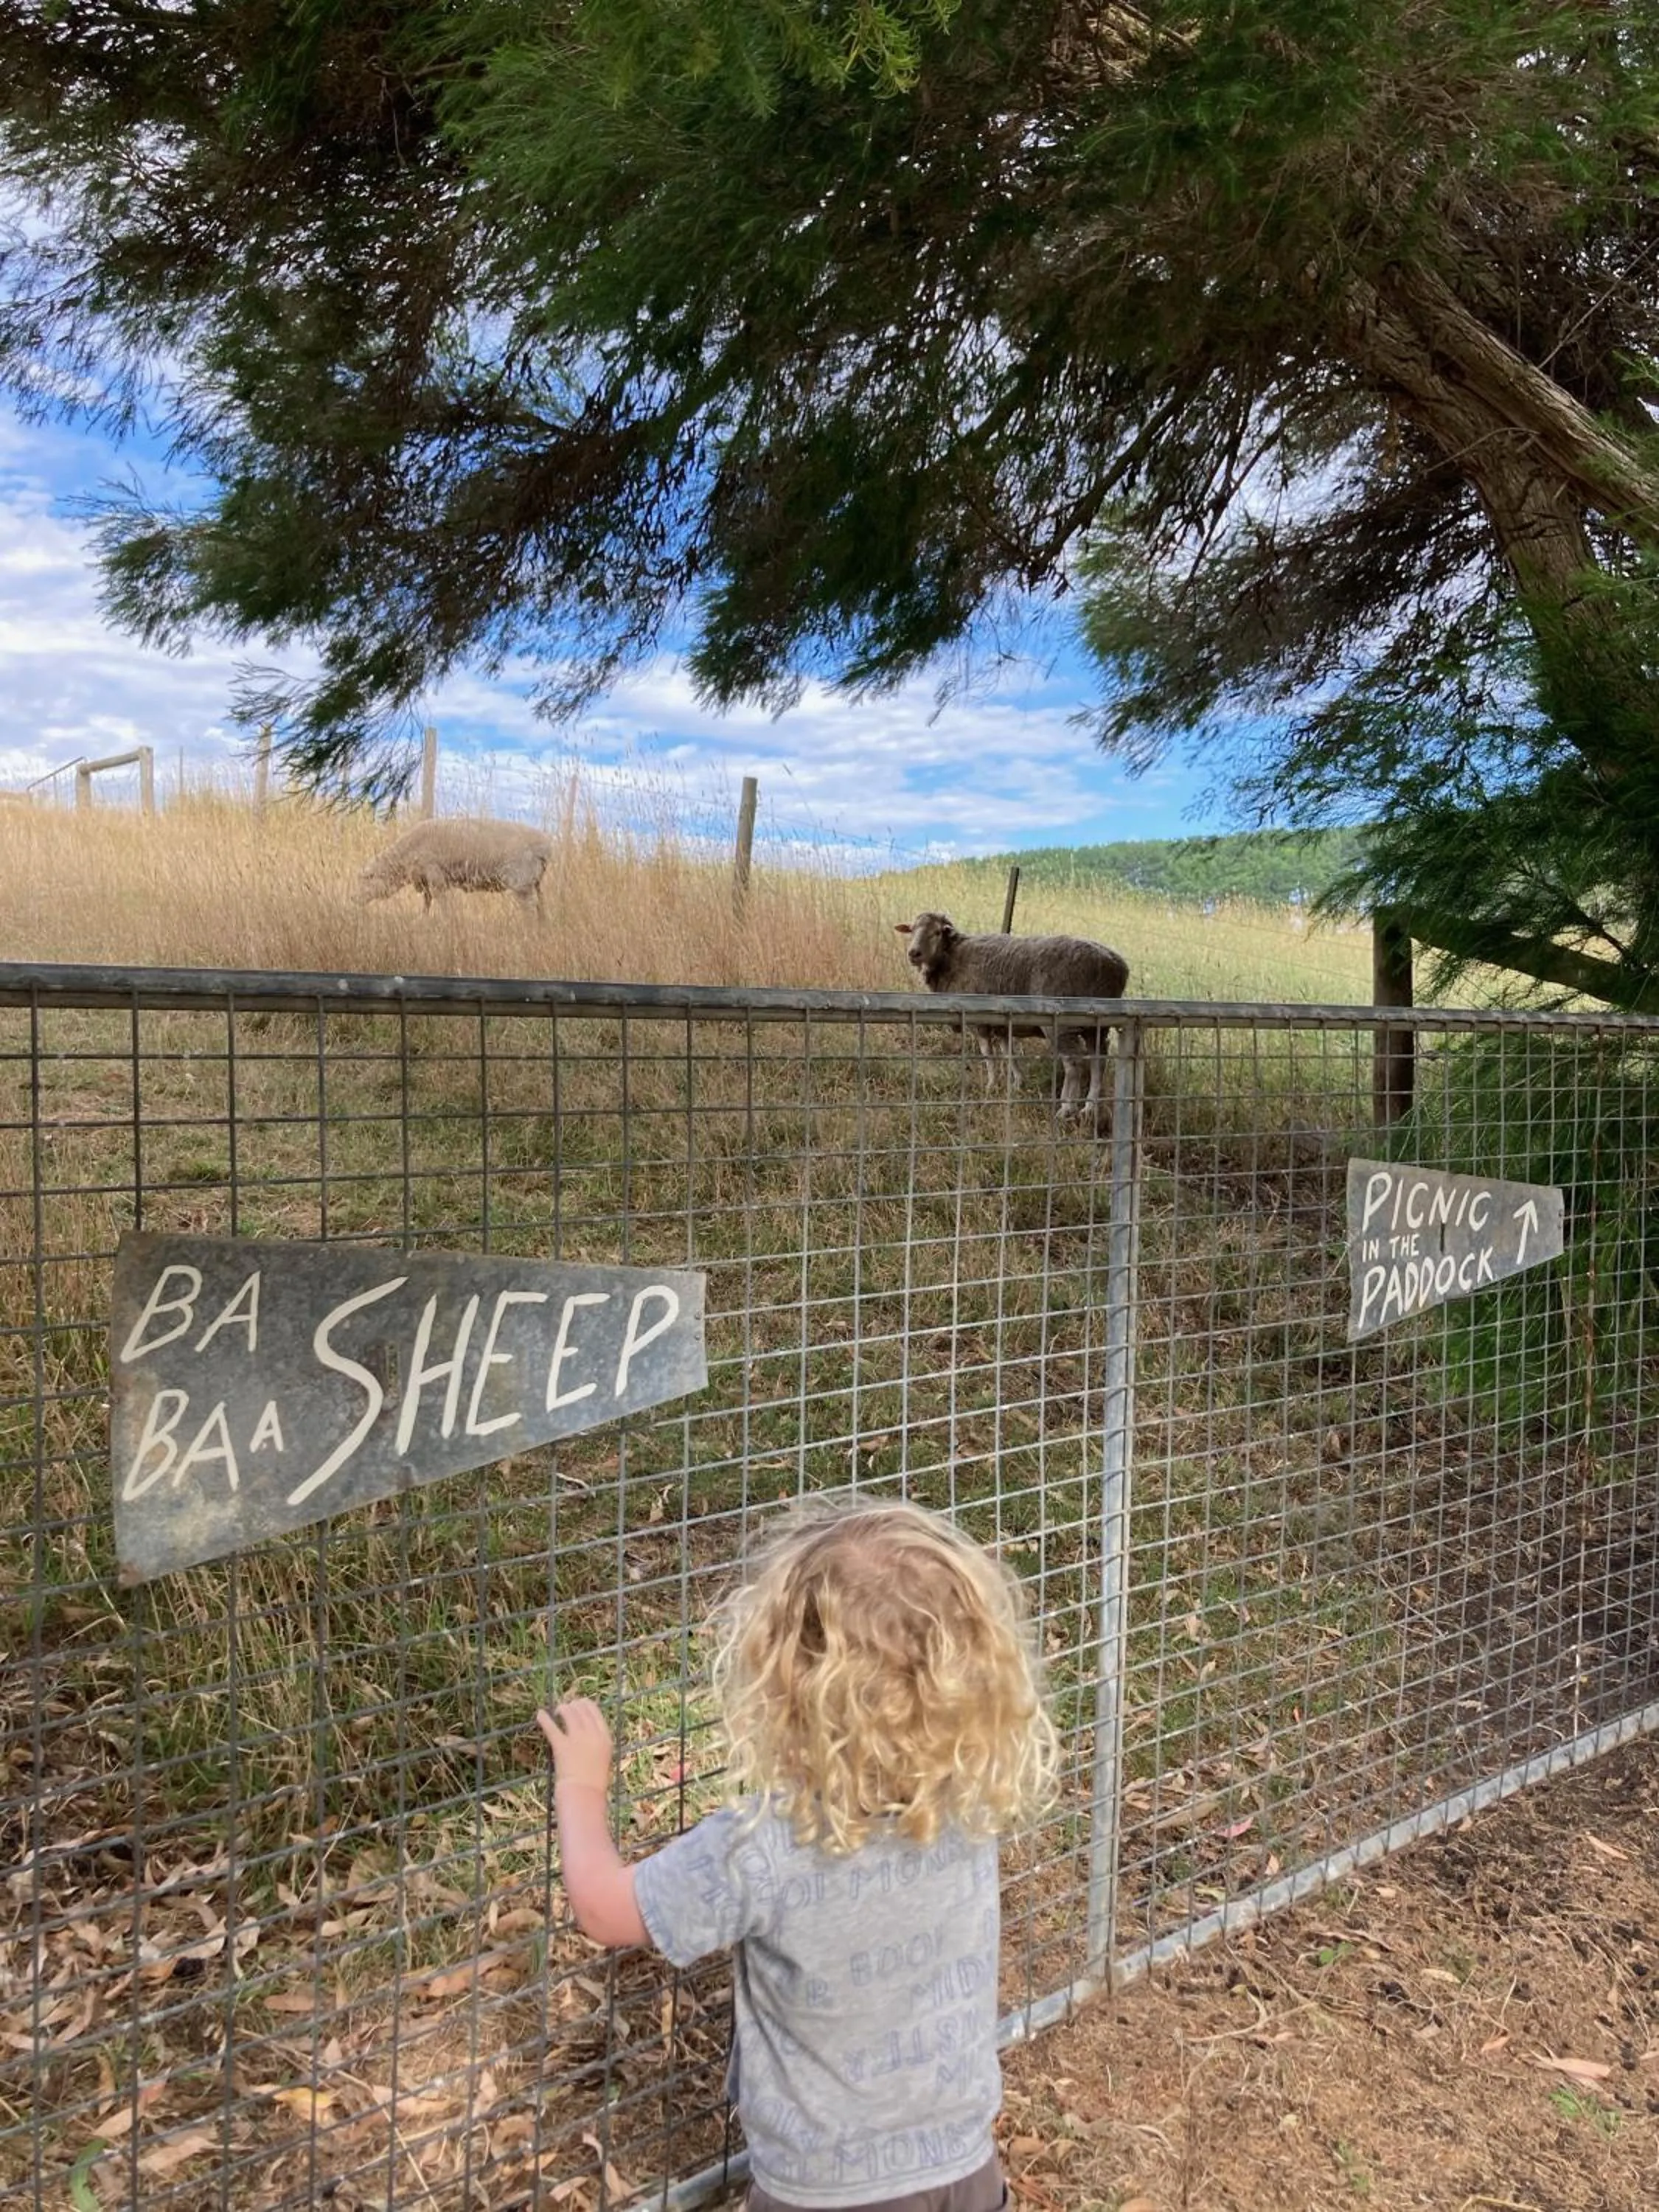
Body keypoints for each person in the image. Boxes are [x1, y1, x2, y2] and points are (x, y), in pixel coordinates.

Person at [537, 1496, 1059, 2212]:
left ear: (785, 1684)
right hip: (965, 2174)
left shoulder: (763, 1844)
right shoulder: (969, 1812)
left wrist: (581, 1784)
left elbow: (603, 1909)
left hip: (825, 2194)